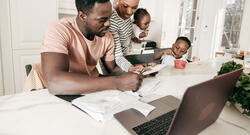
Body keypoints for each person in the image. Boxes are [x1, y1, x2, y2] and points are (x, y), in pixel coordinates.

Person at [41, 0, 142, 95]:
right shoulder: (59, 30)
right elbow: (54, 83)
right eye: (102, 19)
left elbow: (113, 69)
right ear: (82, 16)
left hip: (92, 93)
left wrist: (135, 72)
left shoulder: (107, 37)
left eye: (109, 17)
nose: (108, 24)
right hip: (64, 94)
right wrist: (117, 83)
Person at [110, 0, 152, 73]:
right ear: (117, 1)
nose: (129, 12)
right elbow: (117, 56)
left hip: (125, 59)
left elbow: (126, 33)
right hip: (116, 64)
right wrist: (131, 68)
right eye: (125, 6)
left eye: (134, 7)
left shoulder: (125, 15)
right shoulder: (112, 21)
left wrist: (133, 38)